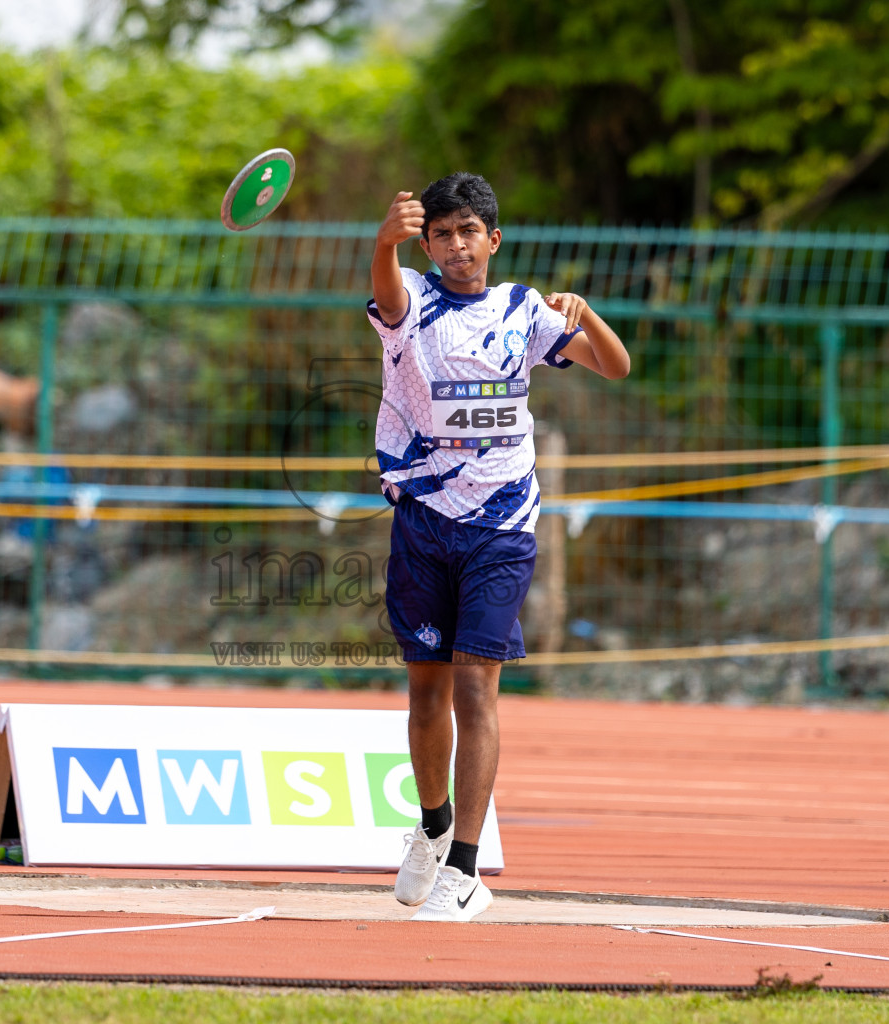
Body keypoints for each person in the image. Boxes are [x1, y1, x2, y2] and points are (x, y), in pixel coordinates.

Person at [367, 172, 629, 921]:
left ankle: (467, 869)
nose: (456, 246)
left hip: (502, 527)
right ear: (427, 244)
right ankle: (432, 825)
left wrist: (587, 314)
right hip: (423, 519)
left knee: (478, 686)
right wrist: (382, 243)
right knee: (427, 692)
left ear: (493, 240)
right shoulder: (410, 302)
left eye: (468, 233)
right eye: (441, 234)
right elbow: (385, 290)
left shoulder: (523, 310)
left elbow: (615, 366)